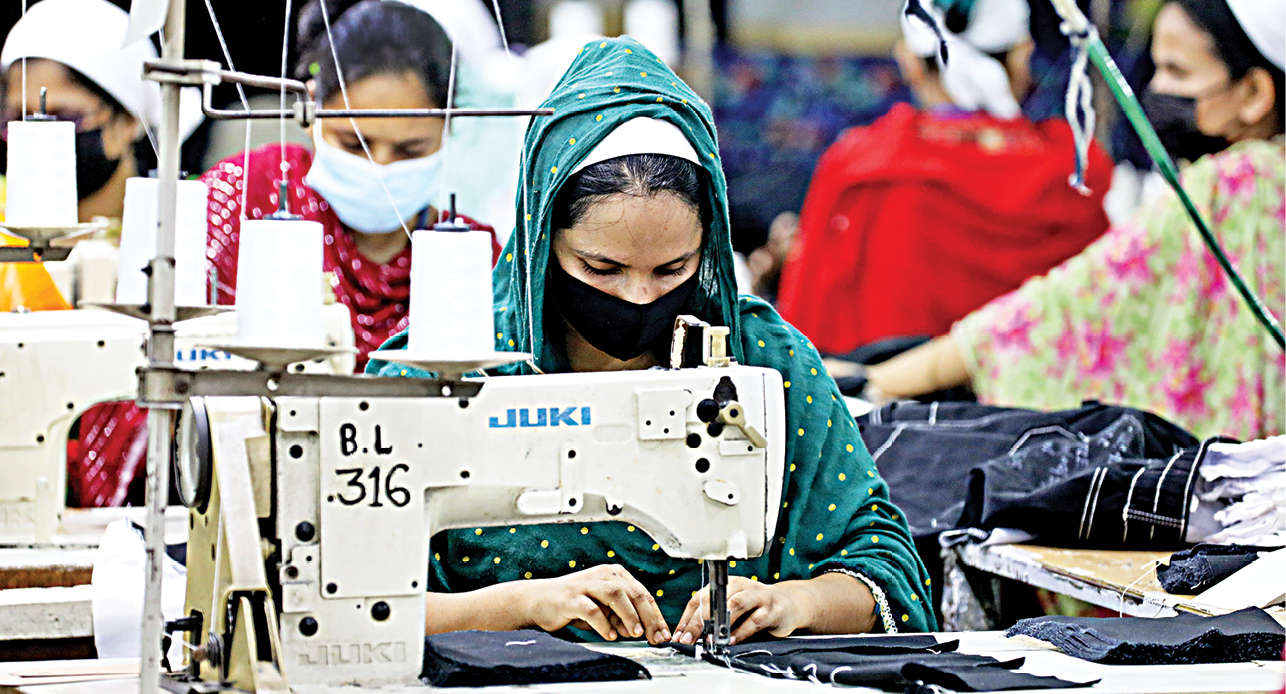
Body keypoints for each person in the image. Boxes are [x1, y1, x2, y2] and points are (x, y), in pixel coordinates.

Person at [369, 37, 935, 644]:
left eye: (672, 269)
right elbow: (343, 606)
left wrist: (793, 603)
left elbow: (886, 570)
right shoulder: (432, 381)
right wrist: (520, 604)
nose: (640, 297)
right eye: (602, 269)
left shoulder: (768, 361)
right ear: (542, 236)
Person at [865, 0, 1285, 441]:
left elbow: (1067, 305)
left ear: (1255, 93)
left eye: (1177, 72)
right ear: (1021, 55)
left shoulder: (1235, 184)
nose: (1155, 88)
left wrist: (877, 380)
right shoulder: (1064, 164)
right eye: (1157, 69)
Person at [776, 0, 1113, 356]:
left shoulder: (856, 171)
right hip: (1046, 391)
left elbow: (800, 343)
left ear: (909, 62)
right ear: (1021, 56)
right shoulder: (1074, 175)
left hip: (884, 391)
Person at [204, 0, 498, 369]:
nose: (381, 167)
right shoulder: (246, 196)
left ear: (447, 129)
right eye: (355, 144)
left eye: (410, 149)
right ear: (312, 109)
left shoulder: (473, 264)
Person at [0, 0, 203, 506]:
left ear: (127, 120)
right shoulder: (5, 236)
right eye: (16, 119)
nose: (35, 133)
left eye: (62, 116)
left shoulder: (185, 230)